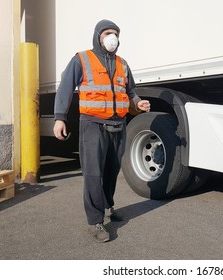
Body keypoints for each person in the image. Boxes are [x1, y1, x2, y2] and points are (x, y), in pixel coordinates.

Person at [53, 19, 150, 242]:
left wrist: (138, 103)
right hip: (92, 124)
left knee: (112, 170)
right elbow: (65, 88)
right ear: (98, 36)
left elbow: (130, 91)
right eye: (107, 32)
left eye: (115, 33)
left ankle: (107, 206)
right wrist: (60, 118)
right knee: (93, 173)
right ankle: (95, 221)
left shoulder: (123, 63)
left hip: (118, 125)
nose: (112, 37)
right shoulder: (82, 58)